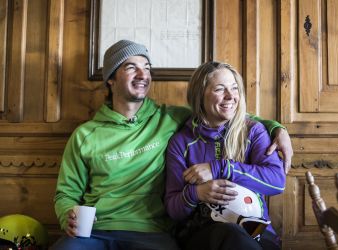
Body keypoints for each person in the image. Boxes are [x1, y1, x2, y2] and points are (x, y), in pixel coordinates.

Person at [51, 40, 292, 250]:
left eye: (146, 68)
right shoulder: (85, 135)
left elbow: (222, 113)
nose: (142, 74)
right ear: (111, 79)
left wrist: (276, 128)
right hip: (95, 230)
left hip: (151, 231)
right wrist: (67, 214)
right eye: (131, 67)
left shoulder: (169, 118)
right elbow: (66, 193)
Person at [164, 61, 286, 250]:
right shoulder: (182, 142)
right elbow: (174, 210)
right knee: (232, 235)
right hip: (203, 233)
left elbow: (277, 182)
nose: (230, 96)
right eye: (220, 89)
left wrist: (220, 168)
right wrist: (196, 193)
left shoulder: (253, 131)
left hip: (257, 231)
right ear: (200, 95)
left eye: (235, 88)